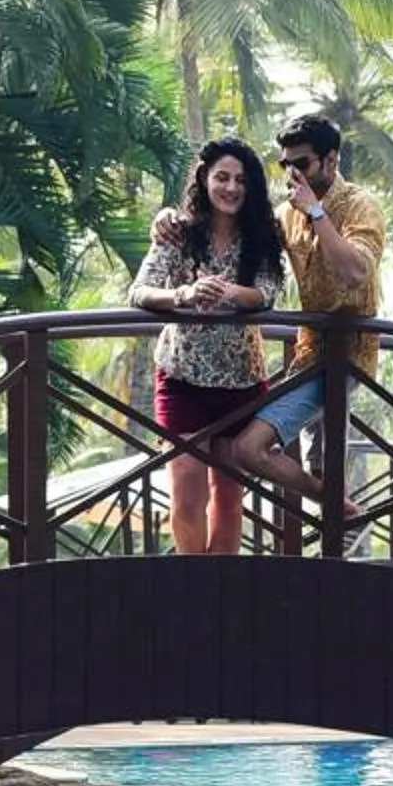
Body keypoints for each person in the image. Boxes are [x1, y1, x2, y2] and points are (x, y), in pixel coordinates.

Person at [129, 138, 288, 554]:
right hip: (183, 376)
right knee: (186, 492)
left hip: (242, 379)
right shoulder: (178, 231)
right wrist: (183, 295)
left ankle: (223, 598)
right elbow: (141, 291)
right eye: (222, 177)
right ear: (205, 179)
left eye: (241, 179)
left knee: (231, 498)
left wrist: (227, 293)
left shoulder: (263, 236)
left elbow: (267, 292)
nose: (231, 187)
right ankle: (193, 590)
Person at [227, 113, 386, 502]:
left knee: (253, 448)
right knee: (315, 461)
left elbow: (354, 271)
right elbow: (237, 234)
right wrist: (171, 221)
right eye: (286, 164)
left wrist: (317, 212)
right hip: (308, 353)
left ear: (330, 161)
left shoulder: (361, 206)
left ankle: (335, 510)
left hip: (348, 355)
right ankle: (334, 505)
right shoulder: (287, 214)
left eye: (301, 164)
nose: (291, 174)